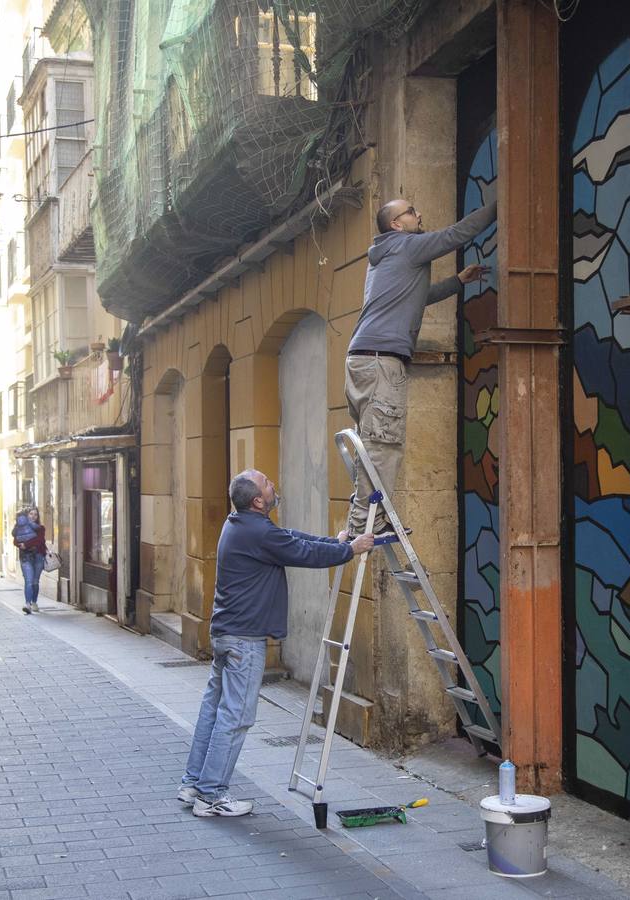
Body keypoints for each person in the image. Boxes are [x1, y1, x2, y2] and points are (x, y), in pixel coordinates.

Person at [179, 470, 374, 817]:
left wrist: (337, 543)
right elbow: (299, 552)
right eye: (267, 483)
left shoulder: (241, 524)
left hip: (226, 634)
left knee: (214, 712)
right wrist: (350, 550)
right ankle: (211, 796)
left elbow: (290, 539)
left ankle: (194, 783)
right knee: (236, 717)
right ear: (258, 500)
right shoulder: (257, 532)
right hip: (243, 640)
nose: (273, 485)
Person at [345, 196, 496, 535]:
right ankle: (362, 525)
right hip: (383, 362)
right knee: (383, 444)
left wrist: (458, 281)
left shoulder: (383, 257)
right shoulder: (408, 245)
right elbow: (458, 234)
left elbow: (418, 295)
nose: (419, 214)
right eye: (412, 211)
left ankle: (368, 518)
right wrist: (504, 199)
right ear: (397, 224)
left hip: (361, 360)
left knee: (371, 445)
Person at [13, 506, 47, 614]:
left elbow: (39, 540)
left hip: (38, 557)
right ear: (27, 516)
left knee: (35, 581)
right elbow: (15, 540)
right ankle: (27, 604)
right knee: (28, 581)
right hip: (26, 557)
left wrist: (26, 544)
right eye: (31, 514)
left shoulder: (40, 528)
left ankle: (34, 602)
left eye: (35, 514)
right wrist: (20, 544)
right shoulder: (20, 527)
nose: (33, 516)